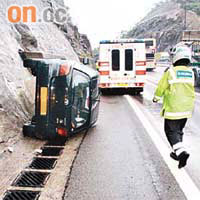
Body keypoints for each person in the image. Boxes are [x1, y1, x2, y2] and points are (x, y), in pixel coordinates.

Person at [153, 44, 195, 169]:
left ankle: (181, 153)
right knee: (178, 131)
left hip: (174, 108)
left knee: (170, 131)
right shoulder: (190, 72)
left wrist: (156, 98)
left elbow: (161, 87)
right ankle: (177, 152)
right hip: (186, 109)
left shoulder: (170, 72)